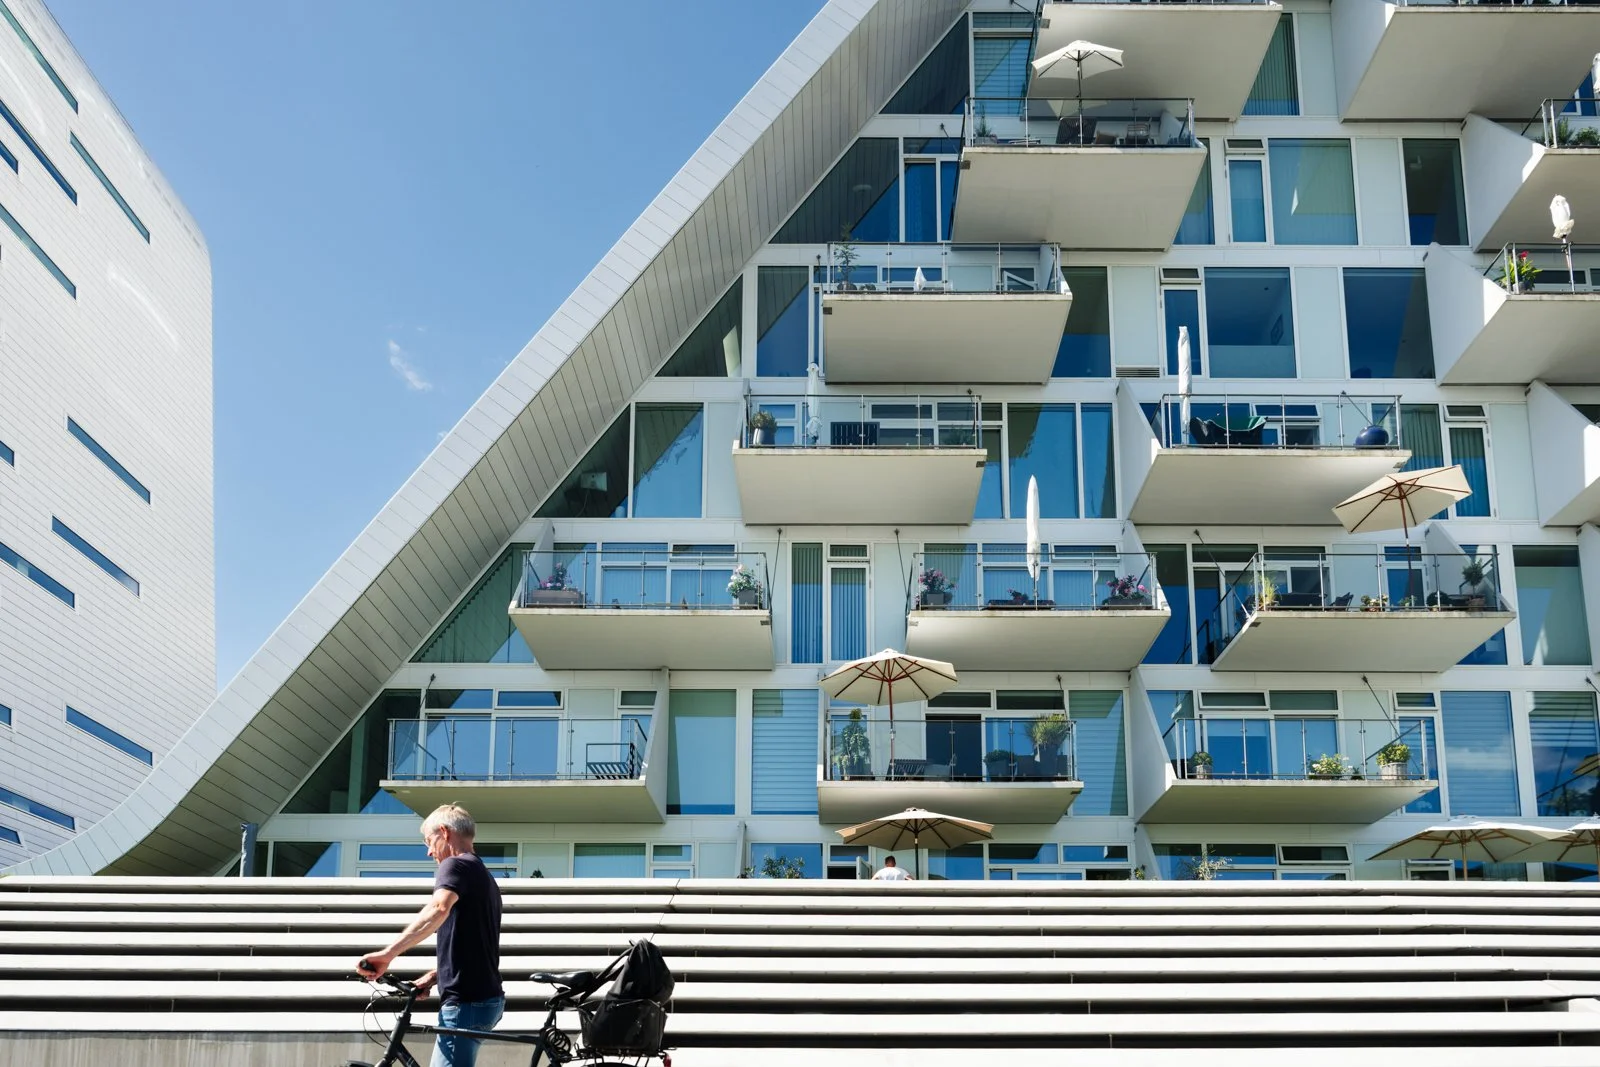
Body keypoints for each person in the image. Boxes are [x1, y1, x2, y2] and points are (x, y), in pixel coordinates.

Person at [359, 804, 504, 1067]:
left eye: (429, 841)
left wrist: (387, 955)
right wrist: (436, 975)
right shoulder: (483, 875)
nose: (428, 851)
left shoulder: (455, 864)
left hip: (466, 1002)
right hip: (483, 999)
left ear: (445, 833)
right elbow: (474, 943)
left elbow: (438, 908)